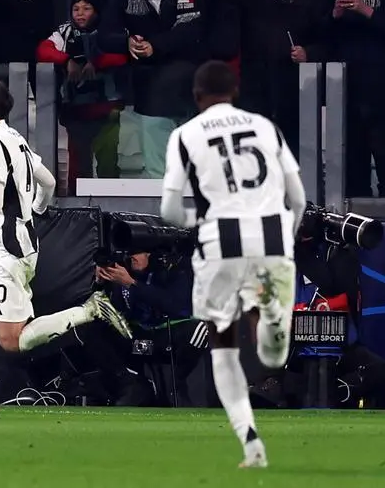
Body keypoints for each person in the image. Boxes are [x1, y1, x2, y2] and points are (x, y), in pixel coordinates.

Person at [0, 77, 132, 420]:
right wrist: (36, 211)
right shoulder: (15, 139)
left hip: (8, 250)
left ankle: (90, 310)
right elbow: (49, 181)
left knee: (12, 341)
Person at [159, 61, 308, 469]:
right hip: (273, 238)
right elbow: (298, 200)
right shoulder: (264, 126)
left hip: (220, 241)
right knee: (273, 353)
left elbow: (169, 208)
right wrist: (286, 239)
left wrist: (197, 223)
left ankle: (250, 442)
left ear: (196, 96)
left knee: (221, 344)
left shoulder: (185, 134)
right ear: (236, 91)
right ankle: (273, 327)